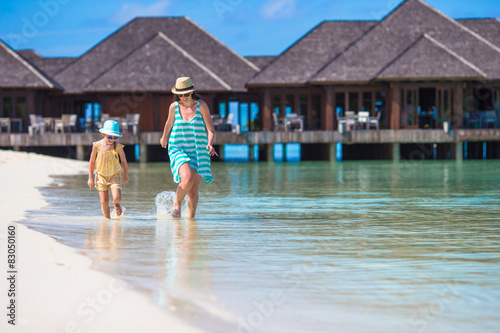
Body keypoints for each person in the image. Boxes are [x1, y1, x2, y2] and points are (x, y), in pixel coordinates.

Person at [160, 77, 218, 218]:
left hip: (198, 150)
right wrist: (164, 137)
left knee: (193, 191)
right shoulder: (174, 106)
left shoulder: (201, 105)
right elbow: (169, 123)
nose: (183, 97)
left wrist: (209, 143)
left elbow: (210, 129)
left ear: (192, 92)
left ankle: (191, 222)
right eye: (180, 94)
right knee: (187, 179)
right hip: (177, 147)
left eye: (186, 94)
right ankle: (177, 204)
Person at [88, 120, 129, 218]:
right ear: (103, 134)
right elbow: (92, 161)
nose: (112, 139)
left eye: (115, 137)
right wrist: (90, 178)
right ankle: (107, 221)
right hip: (101, 176)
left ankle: (116, 204)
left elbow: (123, 160)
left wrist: (126, 175)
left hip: (114, 175)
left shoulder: (118, 146)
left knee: (117, 198)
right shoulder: (97, 146)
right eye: (110, 136)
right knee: (104, 201)